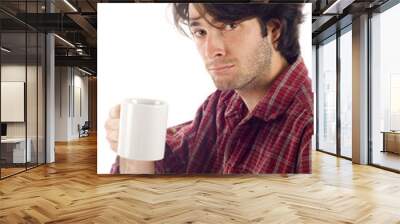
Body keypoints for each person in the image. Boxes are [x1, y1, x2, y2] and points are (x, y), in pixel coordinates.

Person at [106, 3, 313, 174]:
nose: (211, 50)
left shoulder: (308, 126)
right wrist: (131, 141)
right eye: (200, 32)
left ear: (273, 30)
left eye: (230, 26)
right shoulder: (221, 105)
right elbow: (166, 163)